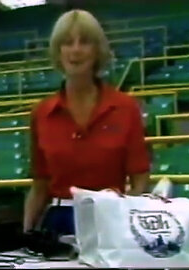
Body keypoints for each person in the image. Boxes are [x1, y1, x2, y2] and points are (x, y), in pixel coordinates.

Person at [23, 9, 150, 235]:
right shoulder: (41, 113)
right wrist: (26, 234)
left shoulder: (126, 108)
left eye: (85, 42)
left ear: (97, 50)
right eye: (67, 42)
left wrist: (128, 222)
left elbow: (140, 179)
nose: (76, 50)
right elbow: (39, 186)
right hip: (58, 225)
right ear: (58, 51)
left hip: (112, 221)